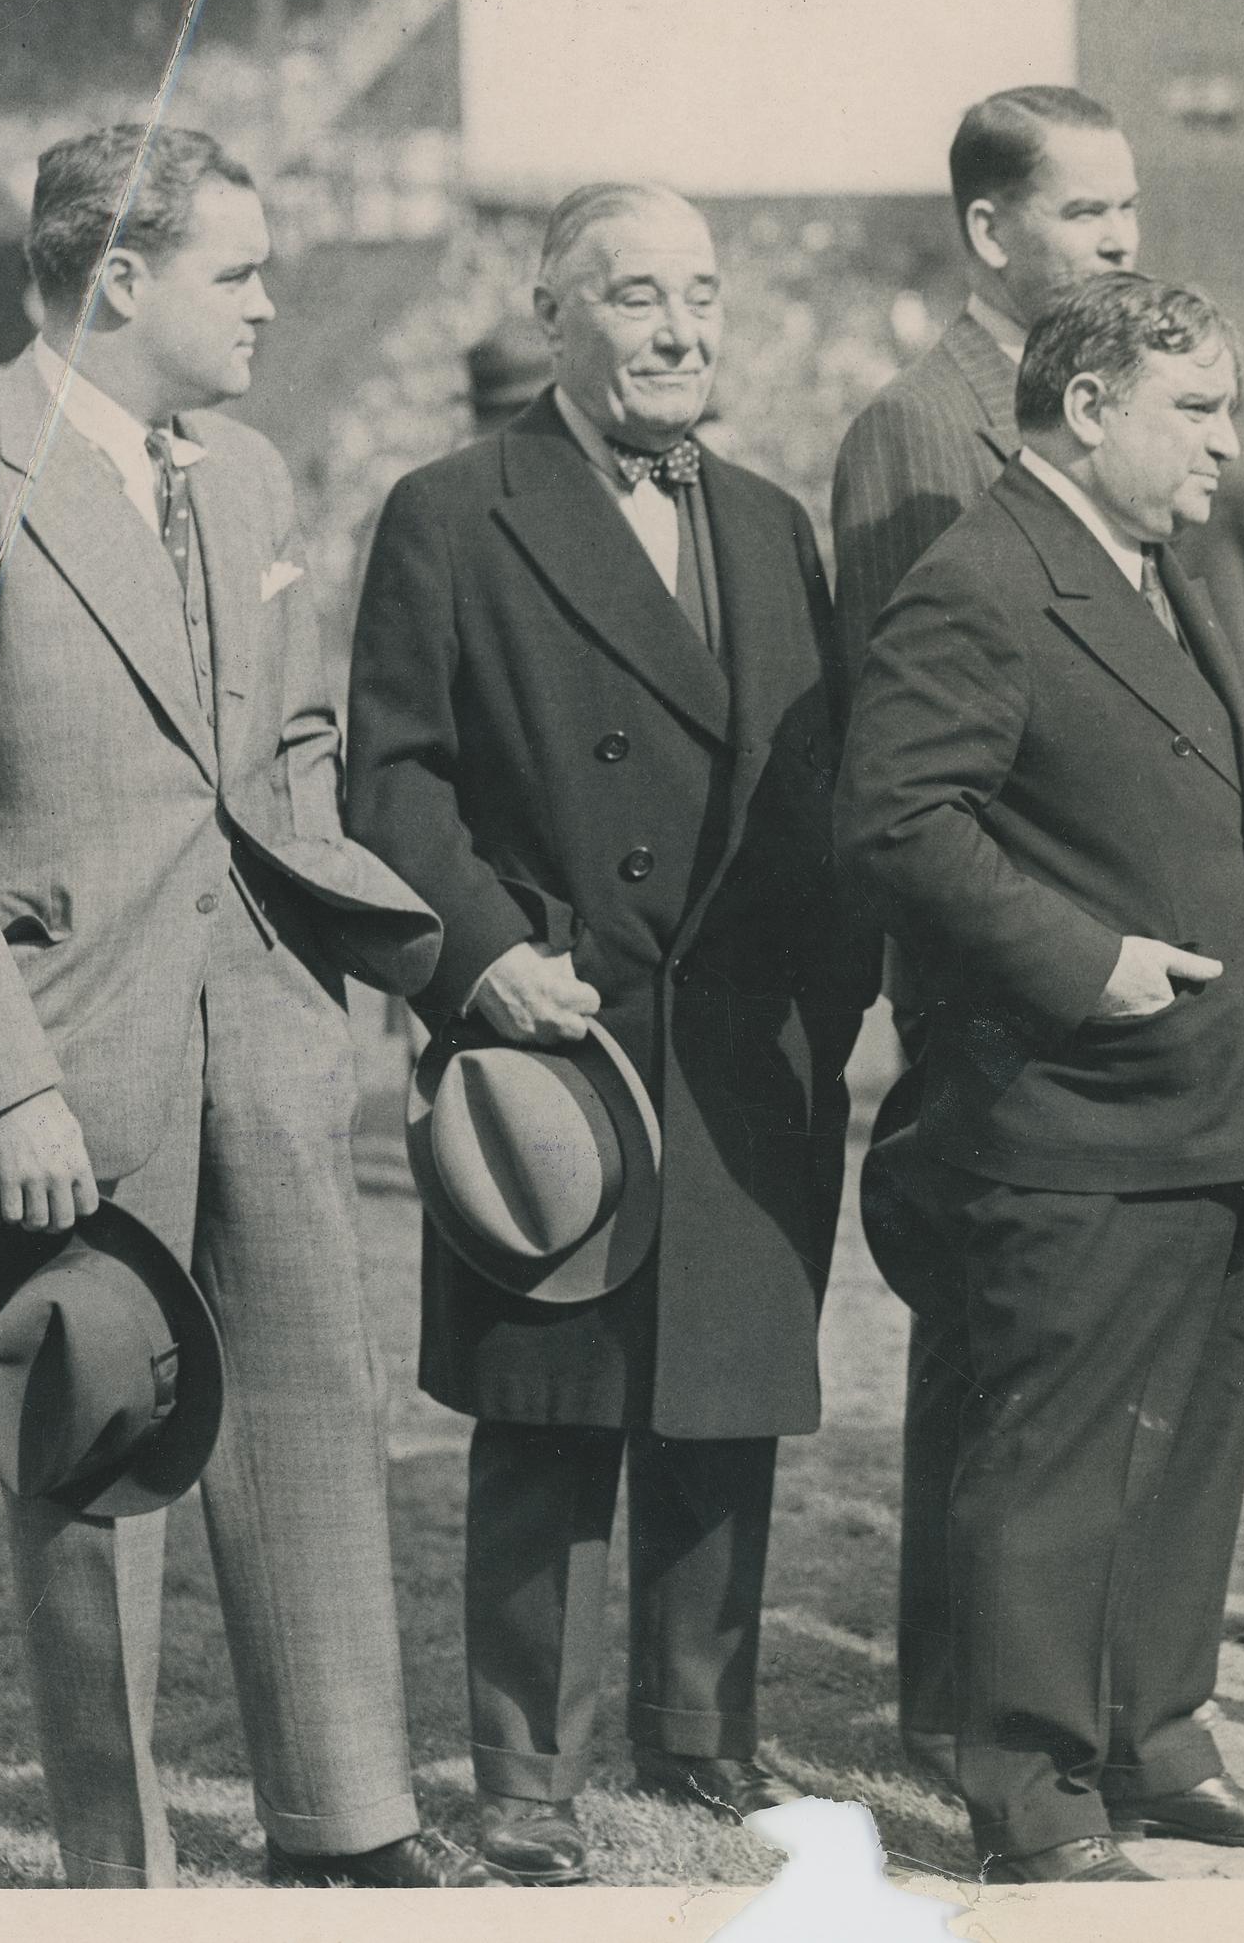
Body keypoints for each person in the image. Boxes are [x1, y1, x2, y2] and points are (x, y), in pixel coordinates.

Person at [0, 124, 495, 1889]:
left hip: (261, 1032)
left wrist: (399, 962)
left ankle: (343, 1819)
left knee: (309, 1427)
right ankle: (117, 1873)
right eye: (239, 271)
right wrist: (0, 1083)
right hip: (69, 1066)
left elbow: (293, 749)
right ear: (120, 279)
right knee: (92, 1457)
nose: (272, 303)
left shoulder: (251, 477)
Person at [344, 182, 879, 1886]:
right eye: (636, 296)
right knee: (552, 1404)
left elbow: (819, 789)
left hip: (738, 1029)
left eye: (702, 295)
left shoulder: (777, 519)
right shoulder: (452, 511)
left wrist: (828, 991)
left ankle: (704, 1729)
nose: (678, 330)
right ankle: (526, 1768)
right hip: (555, 1029)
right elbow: (391, 779)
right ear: (555, 314)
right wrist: (481, 962)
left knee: (722, 1394)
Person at [838, 271, 1244, 1884]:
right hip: (1084, 1110)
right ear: (1090, 409)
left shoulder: (1159, 562)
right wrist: (1089, 961)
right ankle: (1038, 1798)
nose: (1227, 443)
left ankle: (1159, 1743)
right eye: (1196, 411)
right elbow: (895, 818)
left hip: (1230, 1100)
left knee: (1196, 1449)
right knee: (1057, 1470)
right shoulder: (985, 576)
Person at [828, 83, 1140, 1787]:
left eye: (1127, 210)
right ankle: (955, 1703)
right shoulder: (918, 424)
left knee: (1076, 1336)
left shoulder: (1094, 405)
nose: (1119, 241)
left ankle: (1044, 1684)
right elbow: (910, 745)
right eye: (1087, 213)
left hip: (1098, 938)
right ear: (991, 231)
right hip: (989, 952)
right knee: (989, 1334)